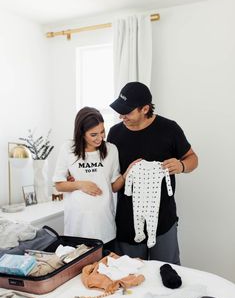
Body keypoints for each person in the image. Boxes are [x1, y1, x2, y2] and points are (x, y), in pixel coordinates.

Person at [107, 81, 198, 264]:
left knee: (167, 274)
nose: (121, 116)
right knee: (129, 277)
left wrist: (181, 165)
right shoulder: (114, 134)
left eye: (127, 112)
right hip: (127, 221)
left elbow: (193, 158)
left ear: (145, 109)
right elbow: (107, 172)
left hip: (164, 220)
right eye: (120, 111)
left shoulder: (169, 129)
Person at [53, 107, 138, 248]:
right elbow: (59, 184)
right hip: (77, 228)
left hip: (104, 227)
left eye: (102, 132)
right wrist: (81, 184)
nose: (100, 138)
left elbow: (114, 187)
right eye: (94, 134)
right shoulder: (67, 149)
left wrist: (126, 174)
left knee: (105, 269)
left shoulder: (111, 150)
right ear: (81, 133)